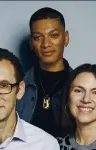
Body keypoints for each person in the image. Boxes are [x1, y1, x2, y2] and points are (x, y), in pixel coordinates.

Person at [17, 7, 72, 137]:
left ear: (66, 38)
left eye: (53, 35)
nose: (46, 44)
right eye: (38, 37)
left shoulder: (80, 86)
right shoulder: (17, 87)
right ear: (31, 42)